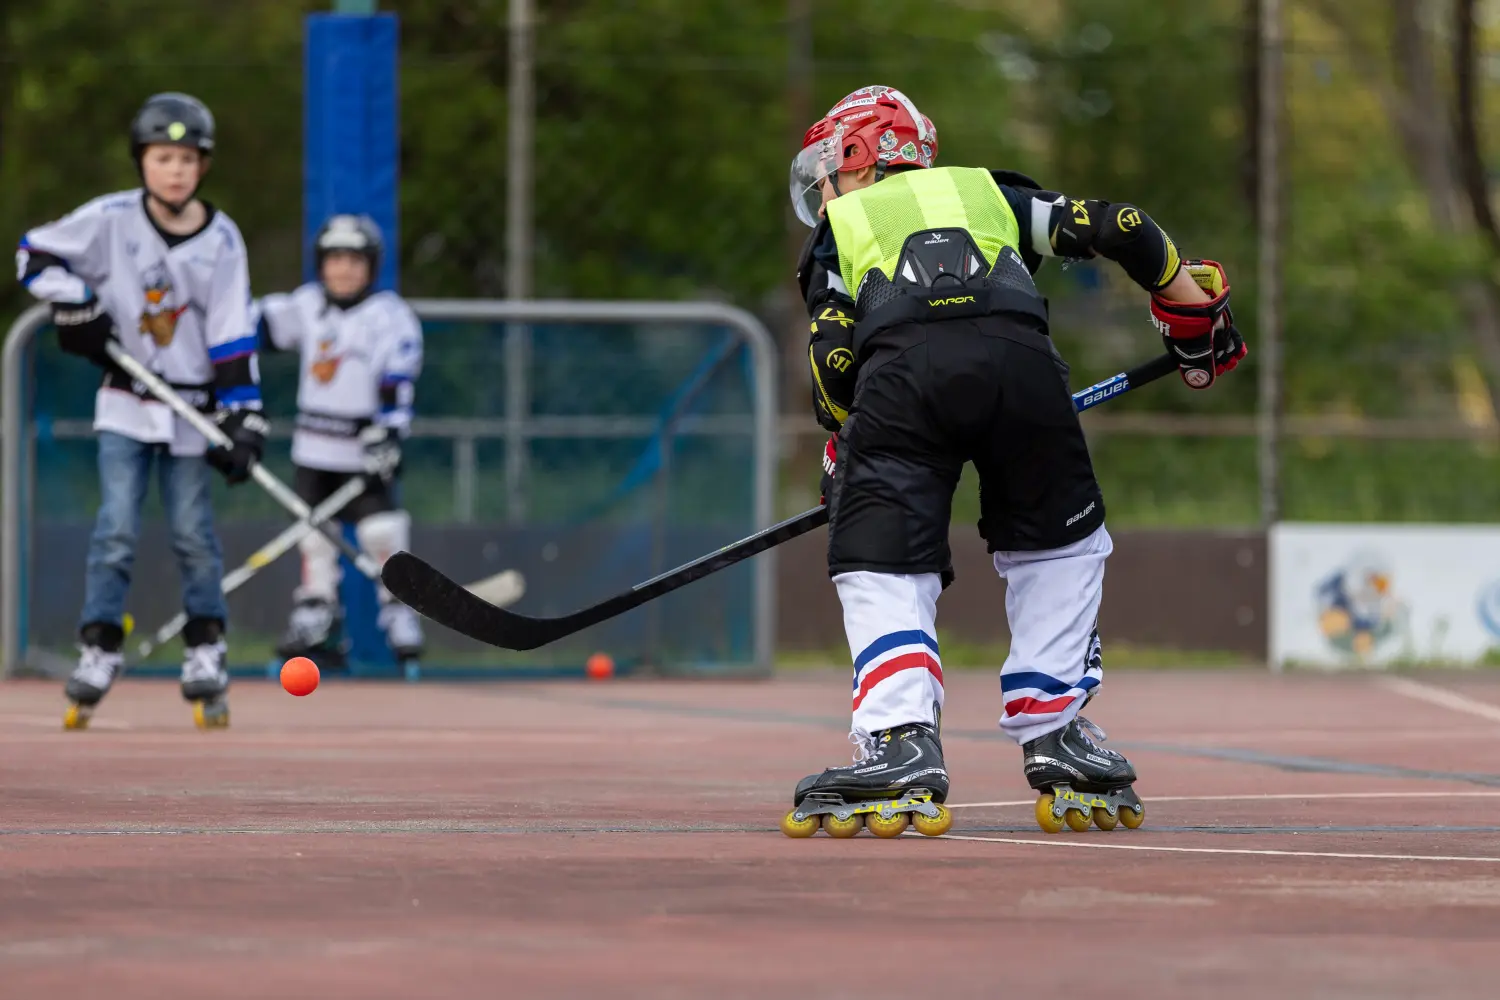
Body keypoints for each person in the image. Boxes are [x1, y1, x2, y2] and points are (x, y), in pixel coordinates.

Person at [780, 86, 1246, 838]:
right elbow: (1123, 227)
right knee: (1059, 541)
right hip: (1023, 369)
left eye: (827, 169)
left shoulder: (845, 222)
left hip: (903, 379)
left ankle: (901, 741)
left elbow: (835, 359)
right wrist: (1190, 314)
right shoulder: (989, 190)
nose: (822, 189)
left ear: (857, 157)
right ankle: (1055, 723)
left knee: (884, 562)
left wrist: (847, 450)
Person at [16, 92, 267, 731]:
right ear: (142, 162)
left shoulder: (223, 239)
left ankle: (205, 648)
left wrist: (244, 416)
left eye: (188, 158)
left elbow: (234, 331)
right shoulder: (110, 220)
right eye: (163, 157)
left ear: (203, 166)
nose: (175, 170)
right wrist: (77, 303)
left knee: (191, 532)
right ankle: (100, 648)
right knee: (116, 529)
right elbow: (33, 255)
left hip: (193, 410)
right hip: (127, 403)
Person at [253, 214, 425, 671]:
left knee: (380, 532)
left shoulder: (390, 317)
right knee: (315, 537)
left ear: (371, 266)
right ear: (320, 265)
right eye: (334, 260)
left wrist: (388, 433)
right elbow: (255, 326)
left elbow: (397, 382)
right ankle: (316, 610)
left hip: (363, 450)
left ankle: (398, 609)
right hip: (314, 451)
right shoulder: (308, 306)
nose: (344, 270)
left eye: (354, 260)